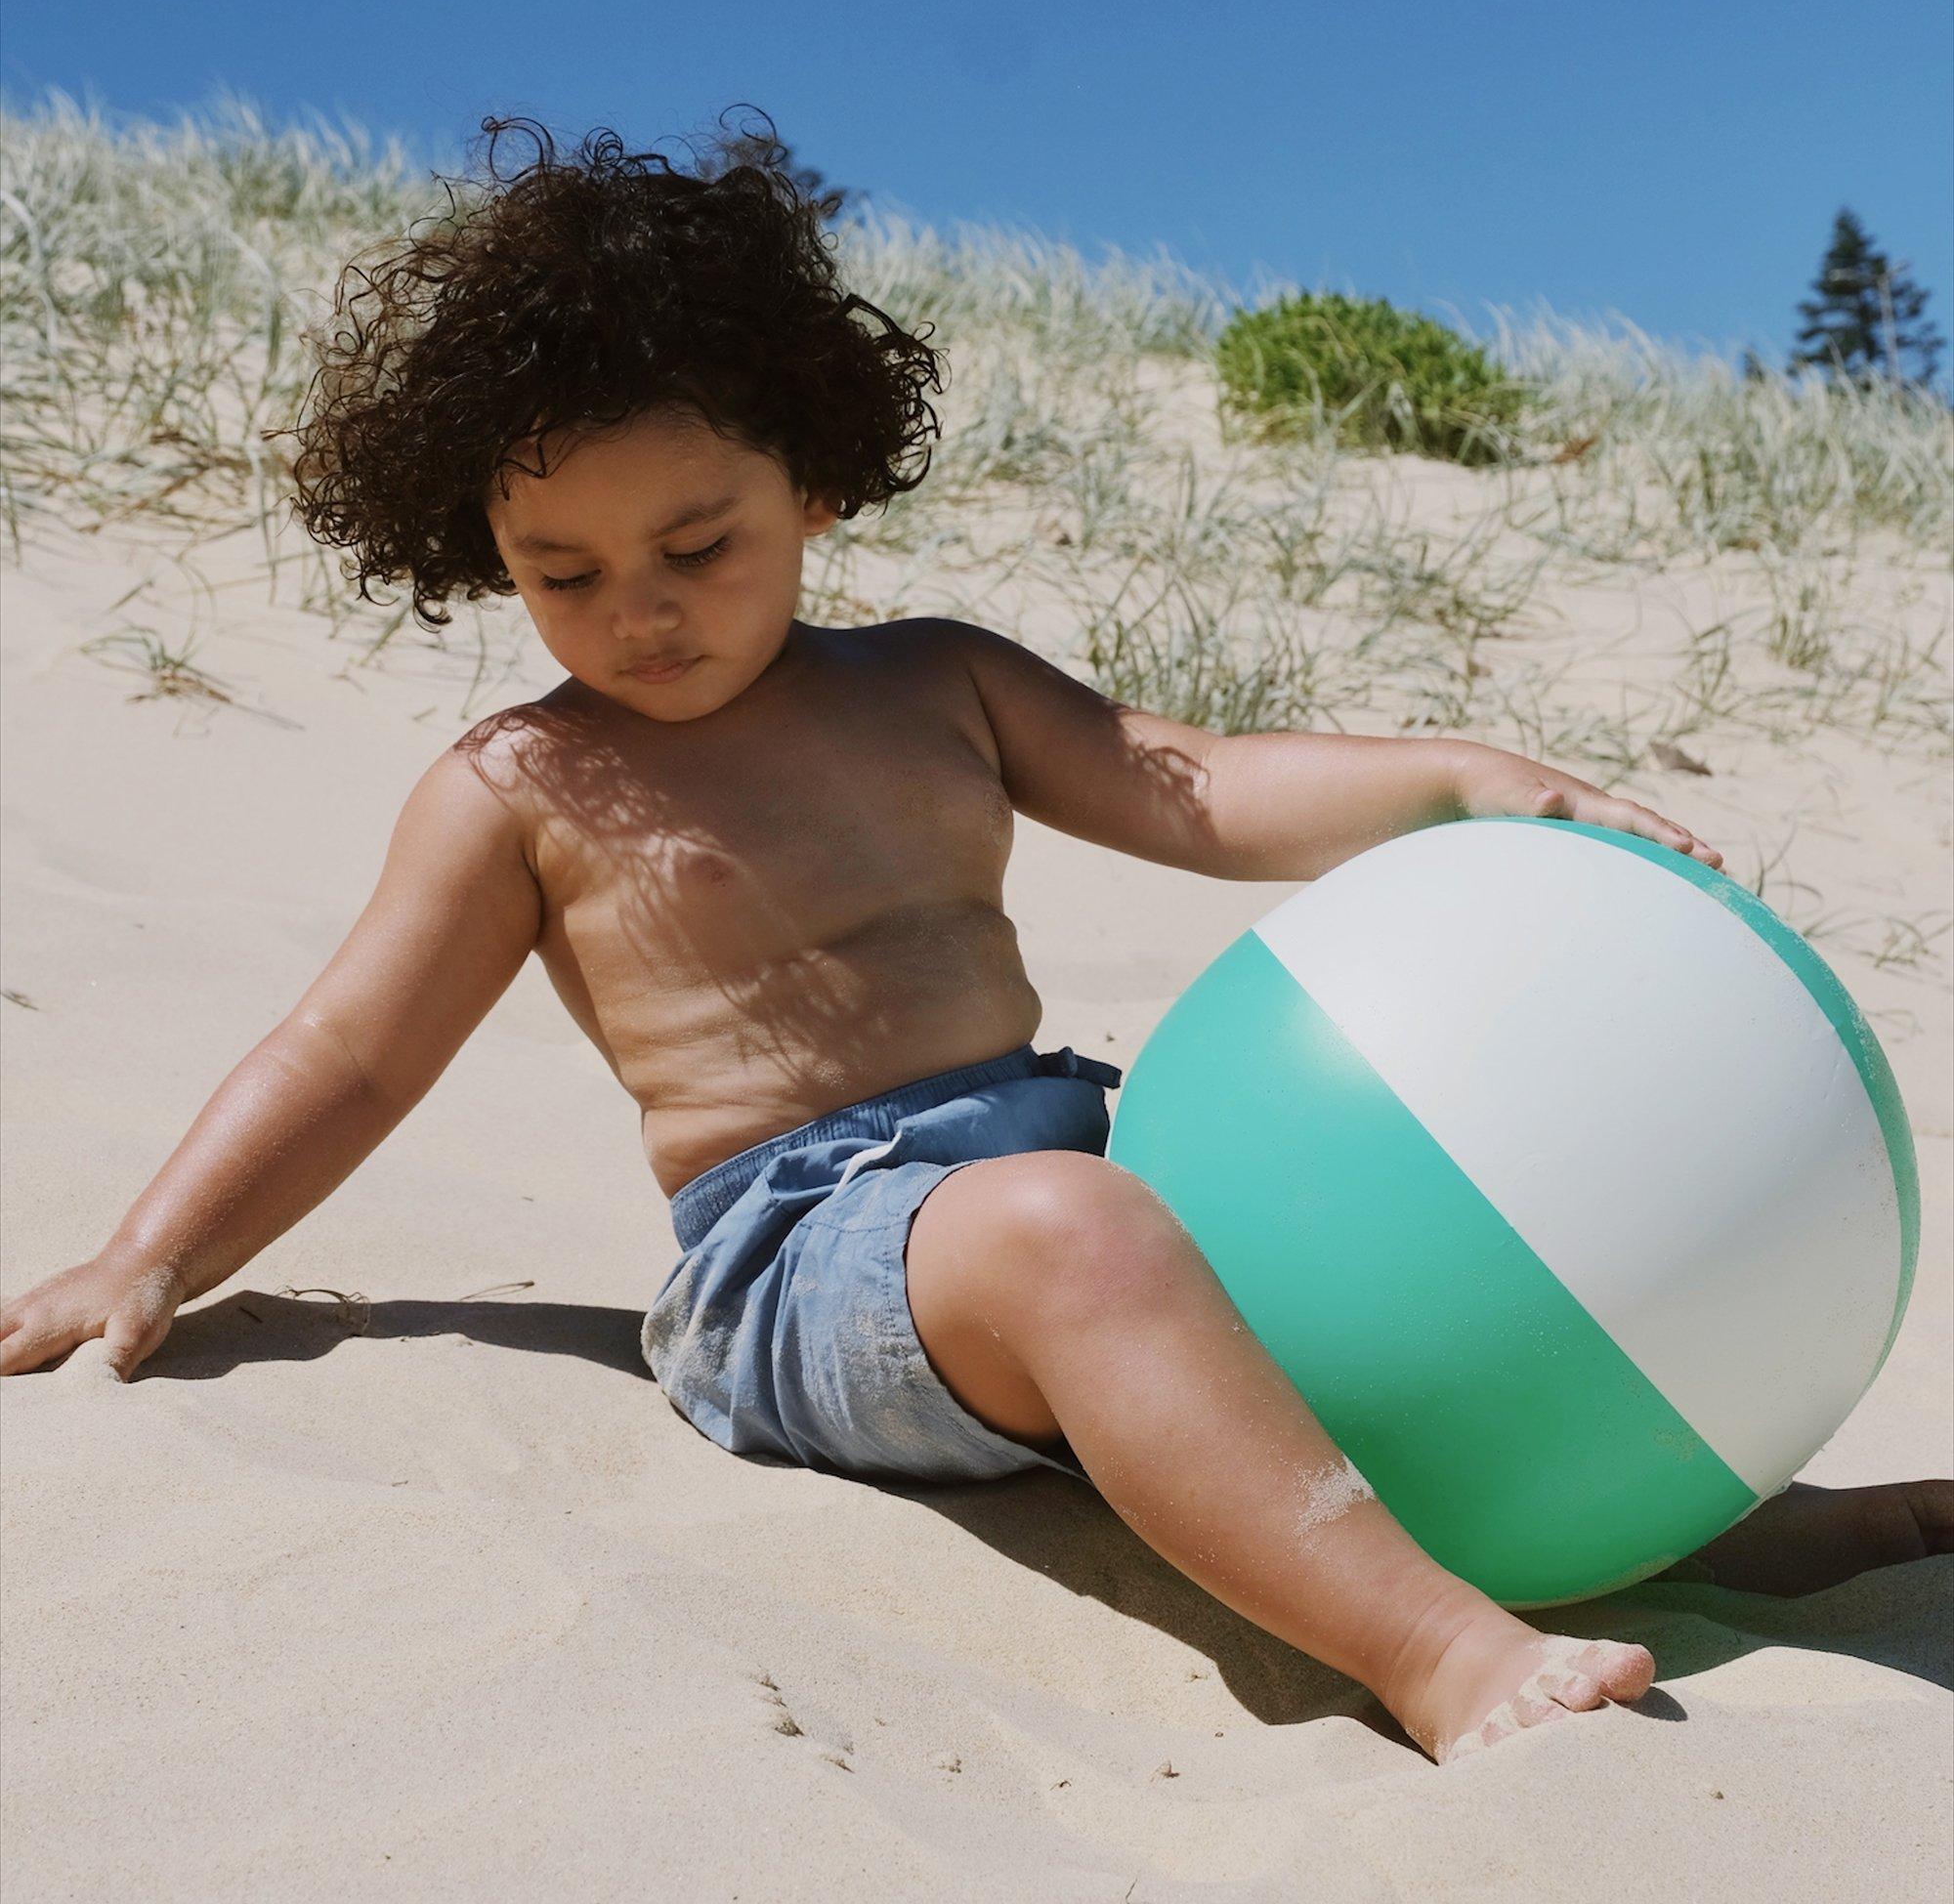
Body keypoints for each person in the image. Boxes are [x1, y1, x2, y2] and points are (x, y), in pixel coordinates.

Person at [3, 112, 1945, 1766]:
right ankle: (1431, 1648)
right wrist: (149, 1252)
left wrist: (1465, 777)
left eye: (698, 545)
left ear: (813, 478)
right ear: (481, 548)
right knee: (1082, 1232)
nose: (639, 613)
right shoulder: (522, 784)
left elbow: (1192, 782)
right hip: (799, 1258)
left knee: (1315, 1247)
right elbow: (351, 1046)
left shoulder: (933, 688)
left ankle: (1694, 1521)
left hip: (1052, 1165)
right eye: (559, 572)